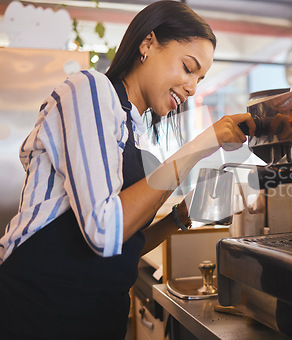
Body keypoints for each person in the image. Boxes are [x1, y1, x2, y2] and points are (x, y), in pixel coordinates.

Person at [0, 1, 255, 339]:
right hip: (40, 304)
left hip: (97, 312)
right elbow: (104, 232)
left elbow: (123, 244)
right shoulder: (89, 89)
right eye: (188, 67)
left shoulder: (134, 130)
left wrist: (179, 217)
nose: (193, 86)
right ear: (147, 44)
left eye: (201, 78)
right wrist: (204, 143)